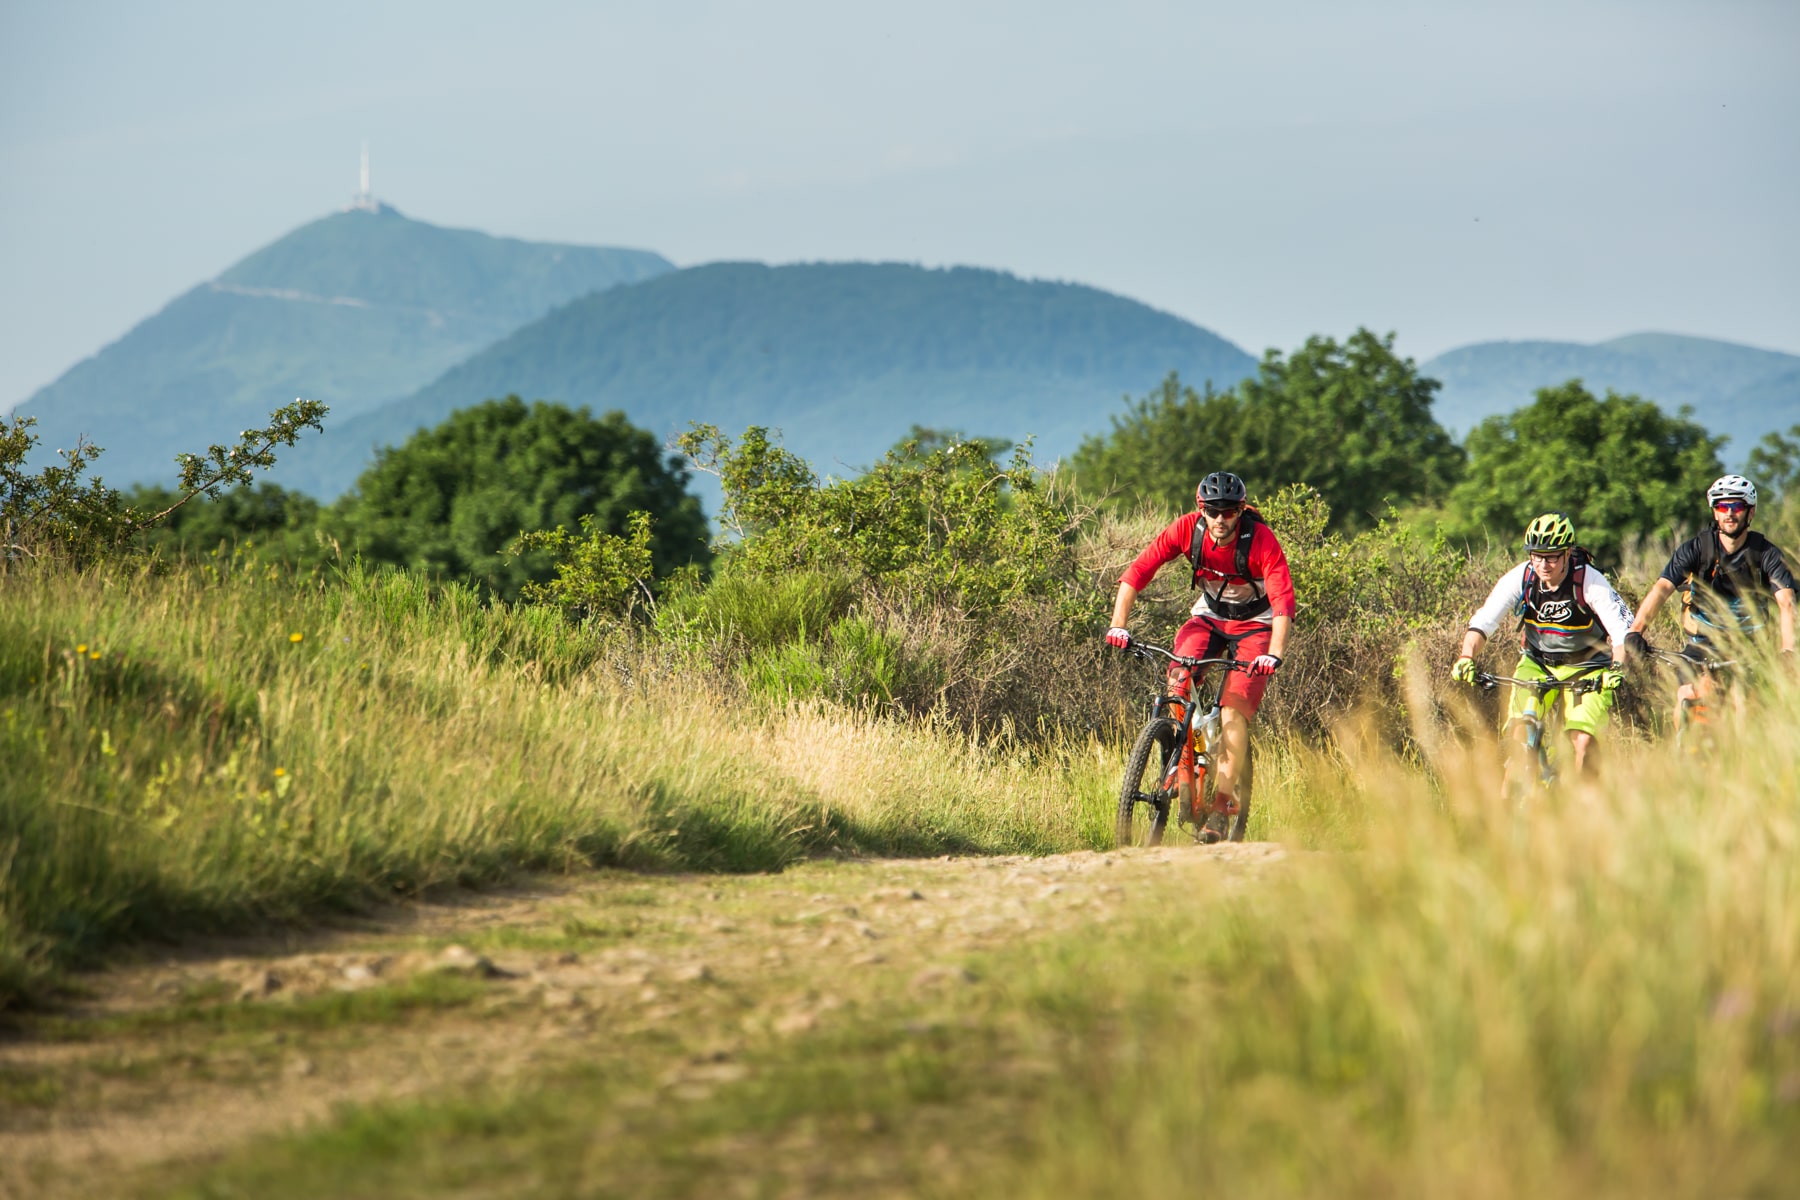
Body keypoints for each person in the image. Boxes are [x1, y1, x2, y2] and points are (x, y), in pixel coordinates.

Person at [1105, 471, 1295, 842]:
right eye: (1212, 511)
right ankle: (1181, 765)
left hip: (1256, 624)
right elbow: (1138, 572)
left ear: (1240, 510)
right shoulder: (1187, 530)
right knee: (1178, 677)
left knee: (1232, 711)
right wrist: (1118, 625)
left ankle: (1224, 803)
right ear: (1200, 509)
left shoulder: (1259, 540)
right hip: (1209, 616)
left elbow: (1283, 602)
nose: (1220, 519)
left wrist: (1274, 653)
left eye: (1228, 511)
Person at [1452, 512, 1633, 781]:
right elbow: (1484, 622)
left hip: (1588, 668)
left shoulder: (1589, 581)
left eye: (1551, 557)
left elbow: (1622, 632)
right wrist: (1467, 656)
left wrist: (1617, 668)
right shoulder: (1522, 577)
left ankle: (1588, 806)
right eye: (1537, 555)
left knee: (1582, 740)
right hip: (1537, 663)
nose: (1542, 564)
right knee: (1520, 738)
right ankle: (1507, 812)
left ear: (1568, 553)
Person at [1623, 474, 1796, 724]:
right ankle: (1683, 755)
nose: (1729, 513)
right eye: (1722, 507)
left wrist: (1787, 650)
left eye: (1736, 506)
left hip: (1748, 647)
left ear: (1750, 512)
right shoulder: (1696, 549)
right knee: (1686, 695)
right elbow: (1662, 588)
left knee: (1741, 704)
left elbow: (1786, 602)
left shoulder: (1766, 553)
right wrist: (1635, 632)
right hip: (1702, 643)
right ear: (1715, 512)